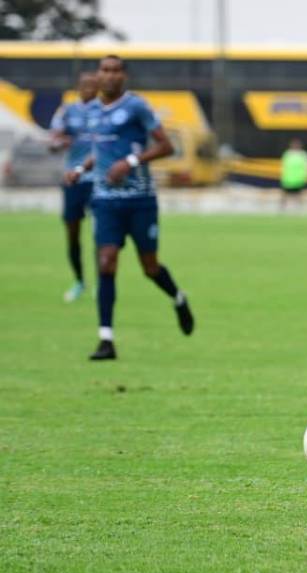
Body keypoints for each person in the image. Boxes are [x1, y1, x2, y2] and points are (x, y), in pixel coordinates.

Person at [65, 55, 195, 361]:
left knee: (150, 268)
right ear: (98, 75)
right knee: (106, 261)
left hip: (140, 200)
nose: (109, 76)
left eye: (115, 71)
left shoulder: (136, 107)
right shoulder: (93, 112)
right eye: (104, 70)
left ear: (124, 76)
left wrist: (132, 162)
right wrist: (80, 170)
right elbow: (100, 152)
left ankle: (178, 298)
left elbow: (166, 146)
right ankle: (106, 340)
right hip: (105, 201)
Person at [49, 71, 99, 303]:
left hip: (98, 180)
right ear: (78, 87)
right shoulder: (67, 111)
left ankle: (102, 281)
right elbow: (54, 142)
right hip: (74, 180)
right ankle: (79, 280)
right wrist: (60, 143)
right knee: (72, 232)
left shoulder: (104, 110)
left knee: (102, 233)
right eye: (85, 85)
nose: (88, 89)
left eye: (92, 85)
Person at [279, 138, 307, 209]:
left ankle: (299, 209)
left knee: (299, 195)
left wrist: (306, 175)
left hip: (299, 179)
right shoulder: (287, 154)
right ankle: (282, 209)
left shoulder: (303, 155)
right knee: (284, 195)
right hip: (288, 179)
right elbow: (284, 166)